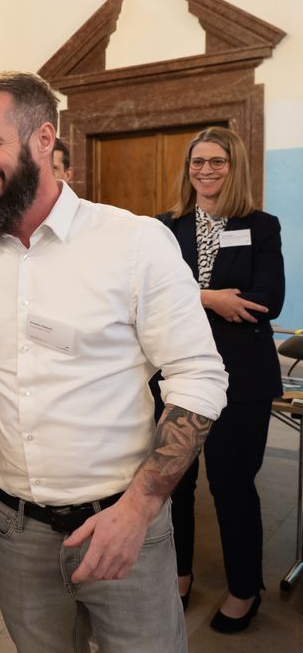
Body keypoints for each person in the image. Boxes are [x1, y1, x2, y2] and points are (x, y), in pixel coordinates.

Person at [0, 71, 228, 653]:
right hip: (18, 531)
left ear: (43, 139)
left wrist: (139, 510)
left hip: (123, 522)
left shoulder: (132, 243)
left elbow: (198, 376)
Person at [154, 126, 284, 632]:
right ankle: (179, 574)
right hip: (175, 373)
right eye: (197, 162)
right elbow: (148, 295)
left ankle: (244, 589)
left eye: (217, 161)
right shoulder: (165, 228)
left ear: (235, 167)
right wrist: (211, 298)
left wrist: (190, 299)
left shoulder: (261, 226)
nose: (205, 170)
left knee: (232, 485)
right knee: (174, 482)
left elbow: (267, 300)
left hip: (241, 378)